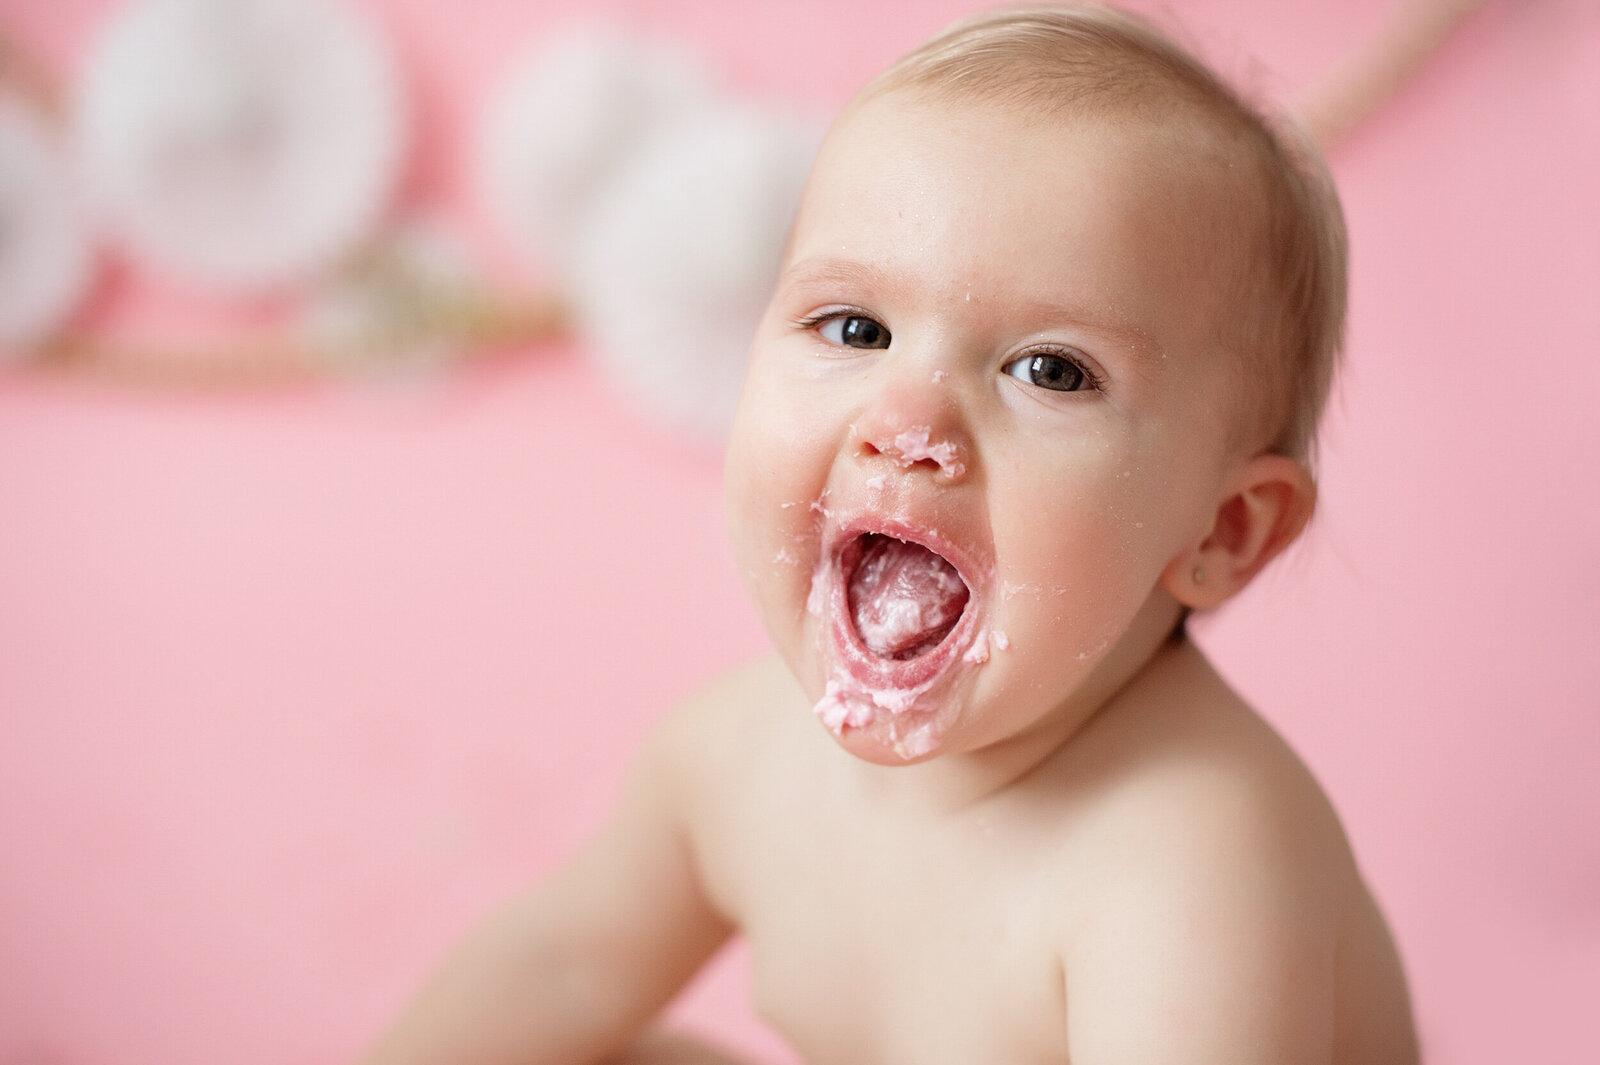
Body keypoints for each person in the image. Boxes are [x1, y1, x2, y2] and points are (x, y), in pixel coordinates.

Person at [359, 5, 1418, 1063]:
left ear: (1223, 530)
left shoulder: (1194, 868)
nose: (907, 426)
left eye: (1050, 370)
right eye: (855, 329)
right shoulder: (735, 755)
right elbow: (560, 965)